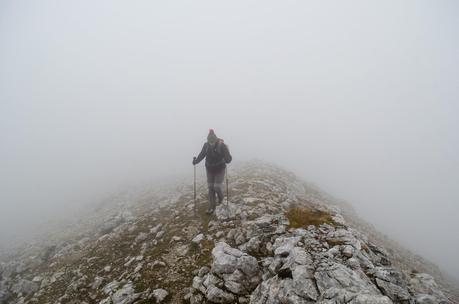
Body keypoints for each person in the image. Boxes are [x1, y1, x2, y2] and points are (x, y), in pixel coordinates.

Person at [193, 129, 232, 214]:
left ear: (215, 139)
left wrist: (227, 159)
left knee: (217, 187)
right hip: (209, 169)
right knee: (210, 188)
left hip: (220, 169)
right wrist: (196, 161)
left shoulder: (222, 145)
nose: (211, 144)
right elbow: (202, 154)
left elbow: (229, 158)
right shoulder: (206, 145)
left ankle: (221, 200)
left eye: (213, 142)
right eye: (210, 142)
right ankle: (212, 206)